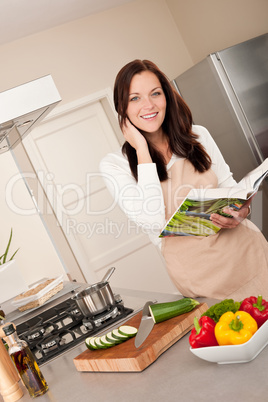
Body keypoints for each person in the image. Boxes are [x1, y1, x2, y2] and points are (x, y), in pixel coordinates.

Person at [99, 59, 268, 300]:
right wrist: (142, 150)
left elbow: (228, 186)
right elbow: (152, 218)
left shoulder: (198, 135)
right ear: (122, 108)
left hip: (250, 254)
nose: (148, 105)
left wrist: (242, 211)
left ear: (166, 97)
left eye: (155, 93)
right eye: (134, 98)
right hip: (201, 278)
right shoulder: (115, 165)